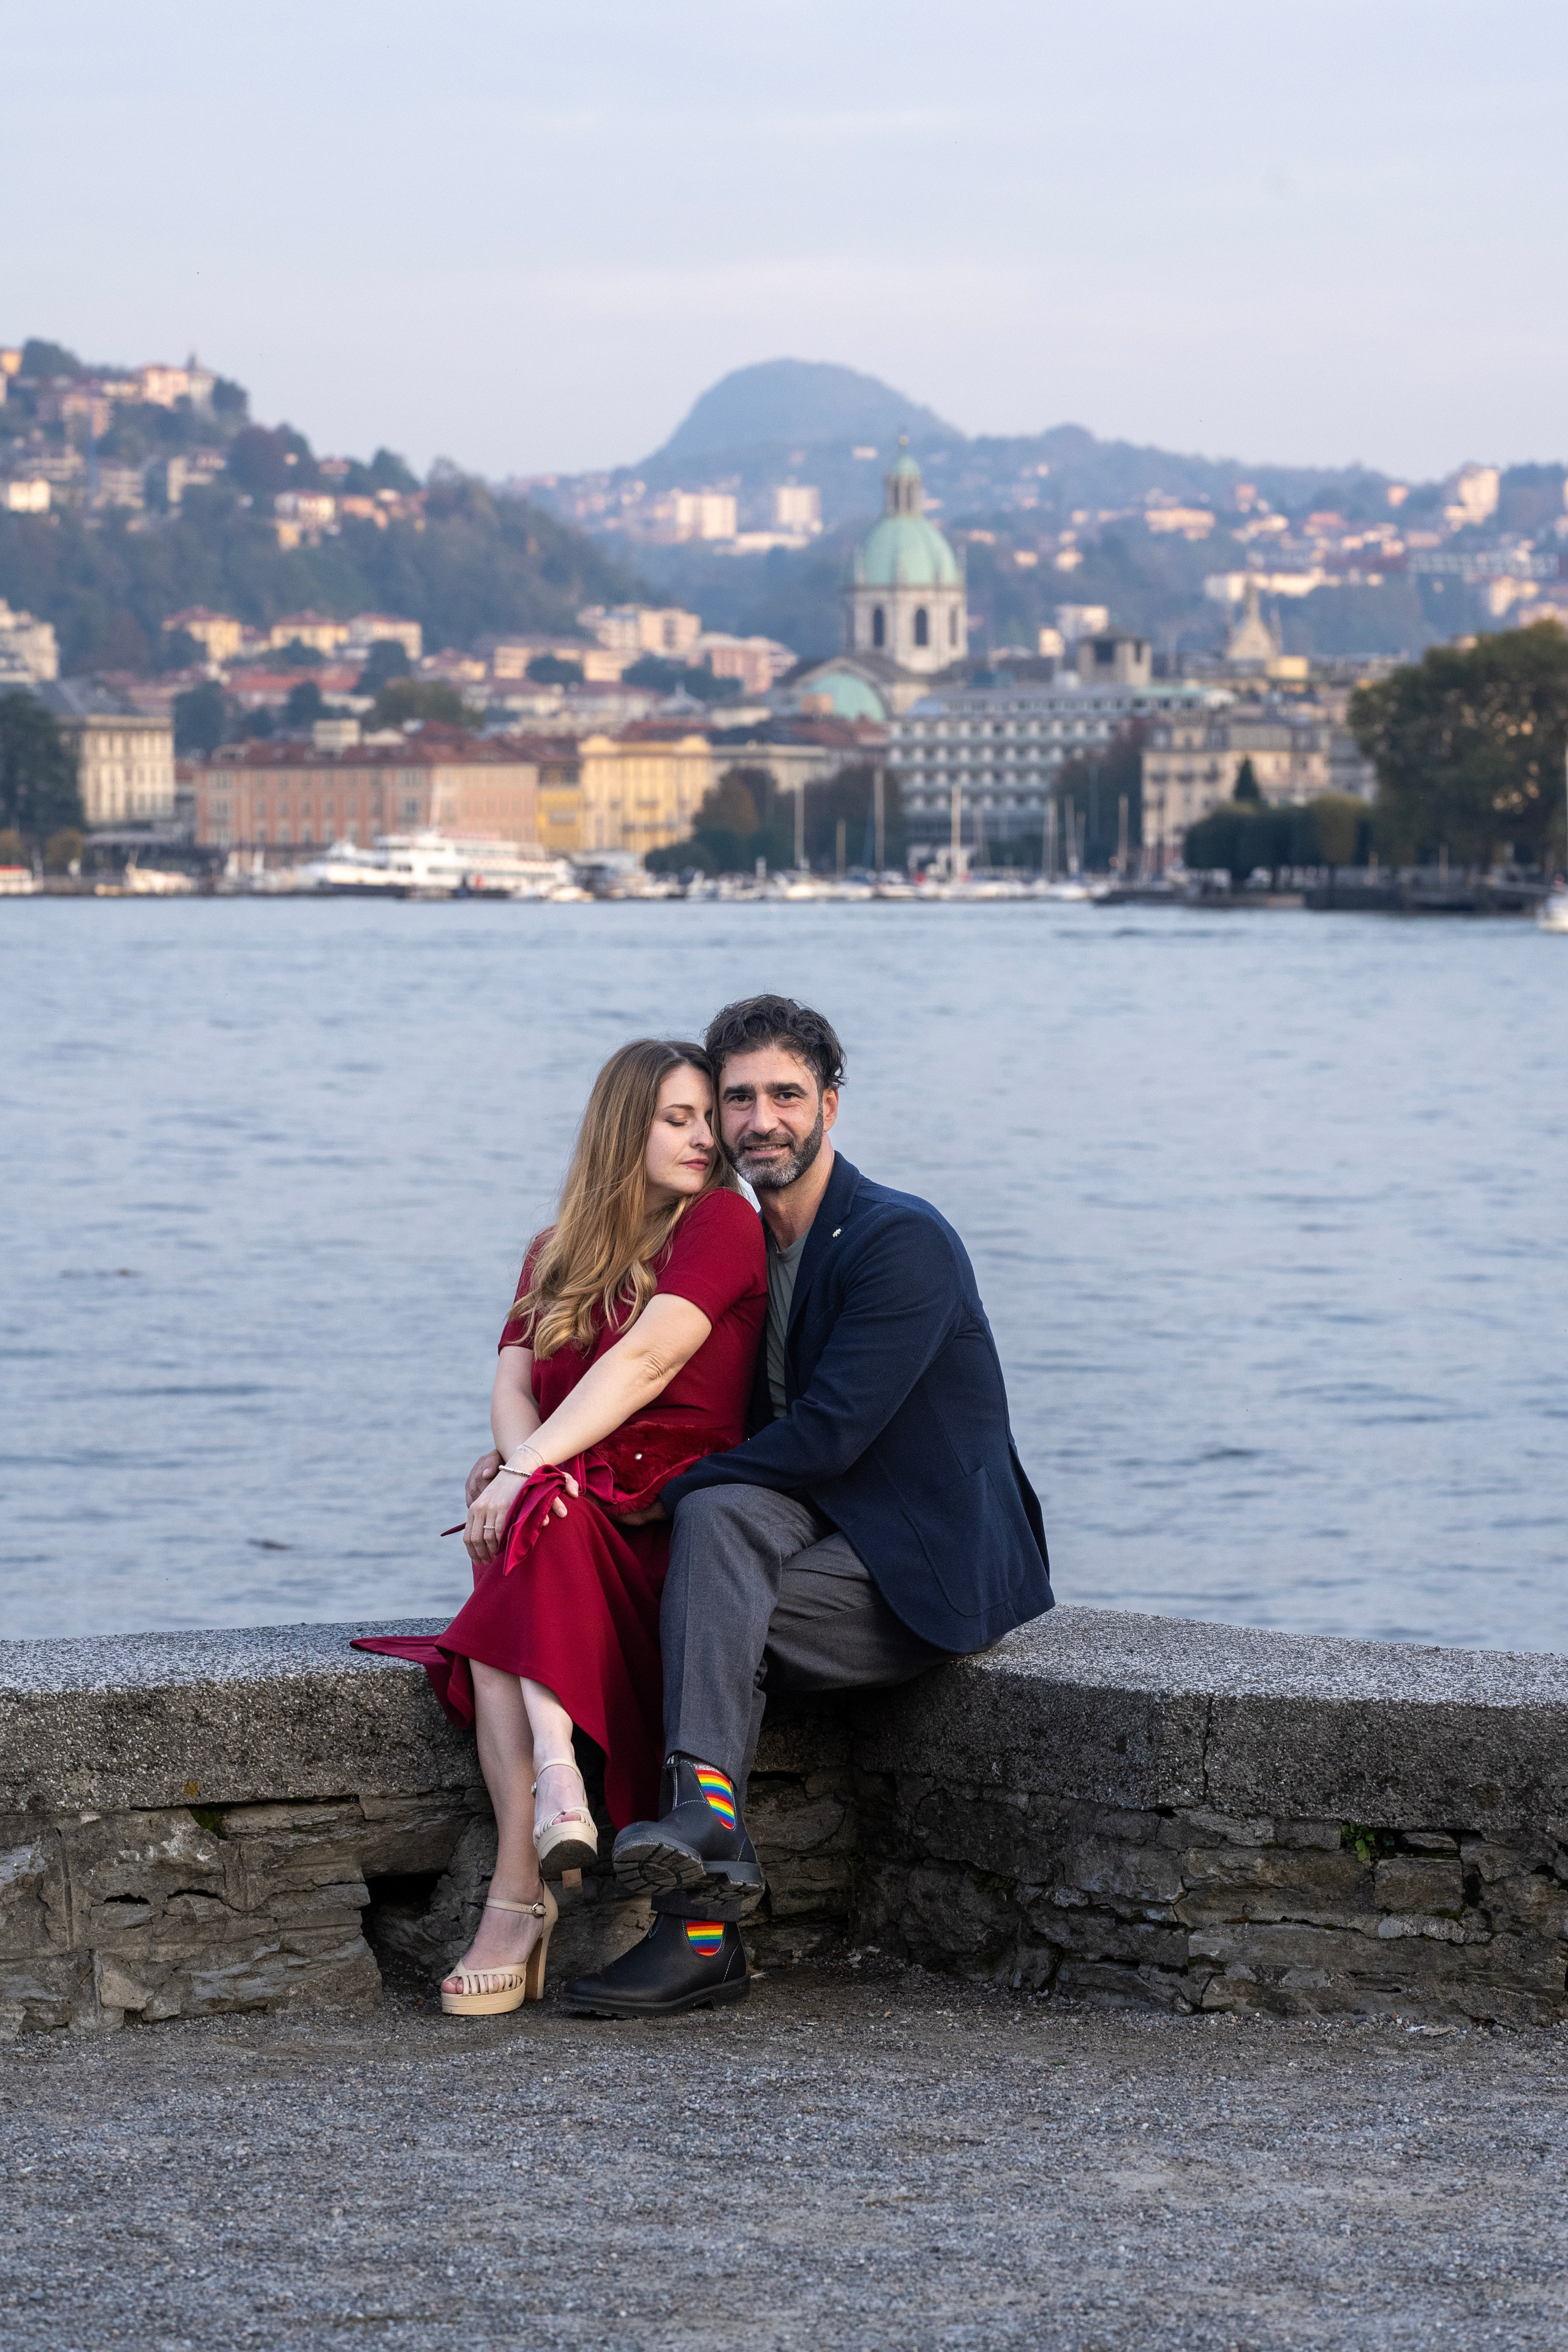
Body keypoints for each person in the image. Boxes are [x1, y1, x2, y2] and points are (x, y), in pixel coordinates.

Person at [562, 995, 1053, 2019]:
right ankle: (706, 1827)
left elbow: (827, 1437)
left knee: (695, 1596)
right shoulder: (736, 1244)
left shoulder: (897, 1241)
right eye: (737, 1098)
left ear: (831, 1104)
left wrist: (658, 1500)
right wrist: (542, 1463)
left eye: (785, 1094)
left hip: (919, 1563)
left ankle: (697, 1929)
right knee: (720, 1524)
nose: (759, 1120)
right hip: (813, 1526)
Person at [354, 1039, 765, 2017]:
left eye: (711, 1118)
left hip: (663, 1519)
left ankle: (524, 1879)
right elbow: (509, 1381)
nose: (707, 1139)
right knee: (527, 1526)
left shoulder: (721, 1223)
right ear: (626, 1127)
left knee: (526, 1530)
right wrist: (518, 1466)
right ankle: (552, 1800)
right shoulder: (554, 1252)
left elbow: (653, 1362)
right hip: (566, 1505)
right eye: (679, 1119)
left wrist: (527, 1470)